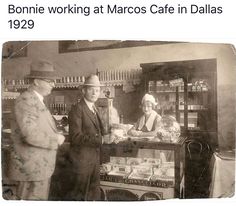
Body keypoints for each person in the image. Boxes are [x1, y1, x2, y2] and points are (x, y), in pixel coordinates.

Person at [7, 59, 65, 200]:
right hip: (31, 170)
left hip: (38, 168)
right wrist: (55, 139)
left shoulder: (36, 99)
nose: (53, 84)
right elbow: (31, 134)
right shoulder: (26, 100)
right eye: (49, 80)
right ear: (37, 81)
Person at [68, 74, 105, 200]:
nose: (95, 92)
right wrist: (103, 139)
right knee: (81, 197)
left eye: (97, 89)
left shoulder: (94, 108)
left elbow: (97, 130)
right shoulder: (77, 109)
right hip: (81, 163)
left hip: (94, 160)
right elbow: (75, 137)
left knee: (93, 196)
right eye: (91, 89)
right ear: (83, 90)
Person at [128, 93, 162, 158]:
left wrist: (139, 134)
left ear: (153, 107)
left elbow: (155, 133)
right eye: (144, 106)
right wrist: (132, 131)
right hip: (143, 147)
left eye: (149, 106)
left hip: (155, 148)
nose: (146, 109)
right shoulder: (141, 118)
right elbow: (130, 131)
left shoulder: (157, 118)